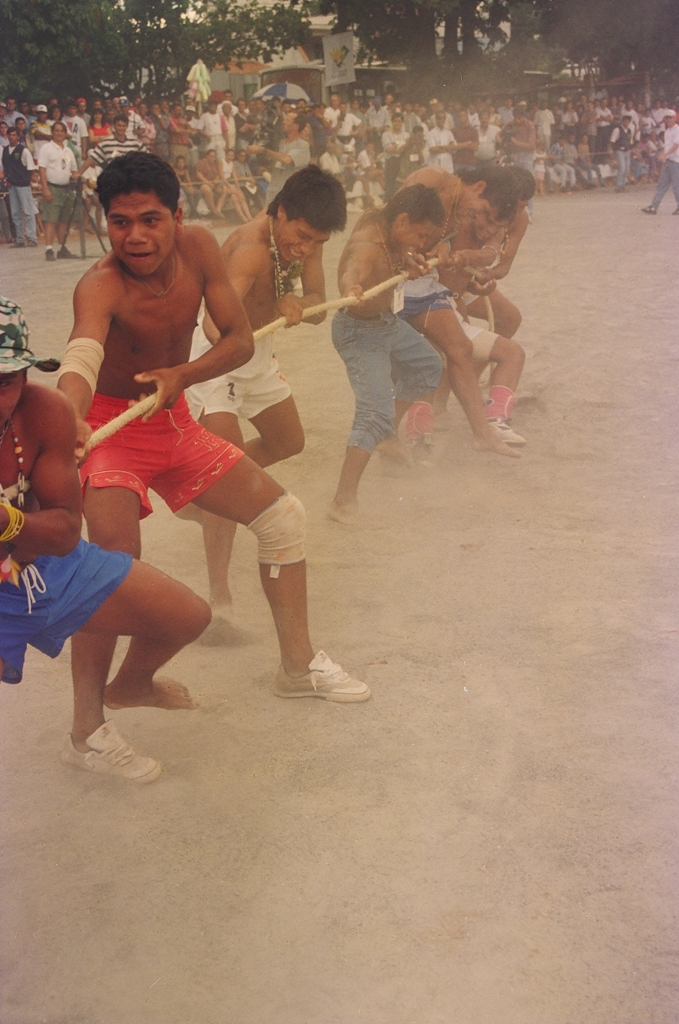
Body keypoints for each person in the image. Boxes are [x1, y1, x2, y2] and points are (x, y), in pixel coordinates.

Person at [56, 152, 369, 708]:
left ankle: (295, 669)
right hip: (110, 427)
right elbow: (81, 358)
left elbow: (240, 339)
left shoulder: (198, 246)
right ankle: (88, 728)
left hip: (173, 418)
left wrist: (183, 374)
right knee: (111, 571)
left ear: (177, 217)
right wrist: (71, 419)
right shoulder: (98, 285)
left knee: (283, 517)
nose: (135, 237)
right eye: (119, 222)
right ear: (104, 222)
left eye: (150, 220)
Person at [0, 296, 211, 782]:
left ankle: (100, 718)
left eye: (5, 381)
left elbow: (65, 530)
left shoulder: (44, 411)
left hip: (46, 562)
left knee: (187, 616)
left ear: (26, 376)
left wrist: (8, 523)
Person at [181, 167, 346, 618]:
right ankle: (220, 597)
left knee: (288, 441)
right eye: (302, 236)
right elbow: (215, 324)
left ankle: (204, 494)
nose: (307, 248)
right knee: (227, 467)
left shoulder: (304, 237)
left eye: (317, 242)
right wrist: (265, 316)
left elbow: (317, 304)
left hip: (257, 354)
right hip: (218, 358)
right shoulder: (252, 248)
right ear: (282, 212)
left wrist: (294, 304)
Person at [329, 184, 446, 523]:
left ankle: (387, 436)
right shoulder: (368, 242)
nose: (423, 243)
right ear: (404, 219)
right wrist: (350, 286)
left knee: (427, 366)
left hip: (385, 324)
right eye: (420, 235)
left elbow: (397, 254)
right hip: (359, 331)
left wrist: (410, 260)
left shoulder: (387, 227)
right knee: (373, 413)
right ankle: (342, 501)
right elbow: (355, 265)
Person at [399, 165, 526, 452]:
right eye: (486, 217)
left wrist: (466, 262)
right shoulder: (449, 205)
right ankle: (418, 434)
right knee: (434, 354)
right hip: (424, 298)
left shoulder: (501, 217)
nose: (487, 227)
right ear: (479, 192)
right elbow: (403, 229)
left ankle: (493, 423)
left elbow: (493, 254)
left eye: (497, 224)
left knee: (504, 349)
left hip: (446, 300)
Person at [38, 121, 79, 261]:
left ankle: (62, 248)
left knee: (63, 220)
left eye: (62, 130)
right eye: (56, 130)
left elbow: (73, 169)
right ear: (52, 132)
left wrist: (76, 175)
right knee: (51, 219)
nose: (59, 133)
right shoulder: (46, 148)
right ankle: (49, 248)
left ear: (65, 133)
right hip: (52, 188)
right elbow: (42, 169)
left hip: (66, 189)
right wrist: (45, 189)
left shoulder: (68, 150)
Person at [249, 113, 310, 204]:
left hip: (290, 193)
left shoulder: (303, 145)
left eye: (287, 120)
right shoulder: (282, 143)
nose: (284, 122)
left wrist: (263, 150)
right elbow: (278, 163)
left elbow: (287, 159)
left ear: (296, 126)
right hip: (274, 191)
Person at [2, 126, 38, 247]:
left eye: (14, 135)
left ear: (18, 136)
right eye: (9, 135)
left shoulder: (23, 150)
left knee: (28, 211)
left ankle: (32, 237)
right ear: (7, 136)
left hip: (23, 185)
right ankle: (20, 239)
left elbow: (31, 168)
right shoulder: (5, 151)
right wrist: (7, 180)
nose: (11, 137)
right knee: (15, 213)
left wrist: (29, 180)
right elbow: (5, 168)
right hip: (12, 185)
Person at [79, 113, 146, 175]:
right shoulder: (106, 142)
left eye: (123, 126)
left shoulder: (136, 143)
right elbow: (92, 159)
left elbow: (147, 158)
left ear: (127, 126)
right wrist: (79, 173)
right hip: (114, 178)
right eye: (119, 125)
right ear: (114, 126)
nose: (121, 128)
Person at [642, 109, 679, 214]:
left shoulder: (677, 130)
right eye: (666, 118)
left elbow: (676, 145)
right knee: (661, 184)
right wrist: (663, 156)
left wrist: (665, 155)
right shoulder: (667, 131)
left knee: (677, 186)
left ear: (675, 118)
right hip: (668, 161)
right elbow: (667, 146)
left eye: (670, 117)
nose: (668, 120)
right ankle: (654, 206)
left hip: (676, 161)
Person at [194, 148, 228, 218]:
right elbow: (199, 175)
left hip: (213, 183)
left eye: (214, 156)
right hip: (202, 183)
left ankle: (218, 209)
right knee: (207, 189)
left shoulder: (215, 164)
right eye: (211, 156)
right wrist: (209, 183)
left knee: (225, 189)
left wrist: (216, 180)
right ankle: (214, 211)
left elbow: (218, 175)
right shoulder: (201, 163)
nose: (212, 158)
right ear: (206, 156)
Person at [609, 114, 634, 192]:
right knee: (622, 168)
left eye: (628, 121)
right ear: (622, 121)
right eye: (625, 121)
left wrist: (629, 149)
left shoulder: (629, 130)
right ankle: (618, 186)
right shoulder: (617, 129)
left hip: (627, 150)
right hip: (619, 150)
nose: (627, 123)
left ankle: (623, 185)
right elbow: (612, 141)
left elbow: (630, 141)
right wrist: (614, 150)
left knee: (626, 169)